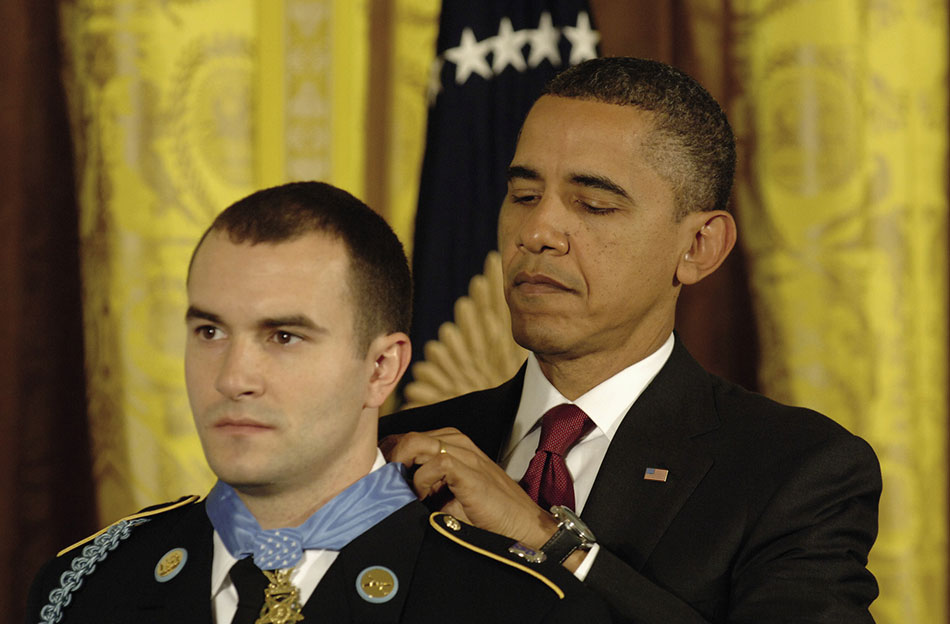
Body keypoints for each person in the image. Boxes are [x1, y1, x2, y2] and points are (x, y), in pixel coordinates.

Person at [380, 57, 881, 623]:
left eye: (593, 205)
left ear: (698, 247)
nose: (537, 234)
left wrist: (546, 540)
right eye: (522, 196)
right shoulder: (393, 453)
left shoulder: (794, 471)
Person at [25, 182, 610, 624]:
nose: (233, 378)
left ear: (381, 368)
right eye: (210, 332)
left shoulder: (520, 607)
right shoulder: (82, 587)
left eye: (284, 337)